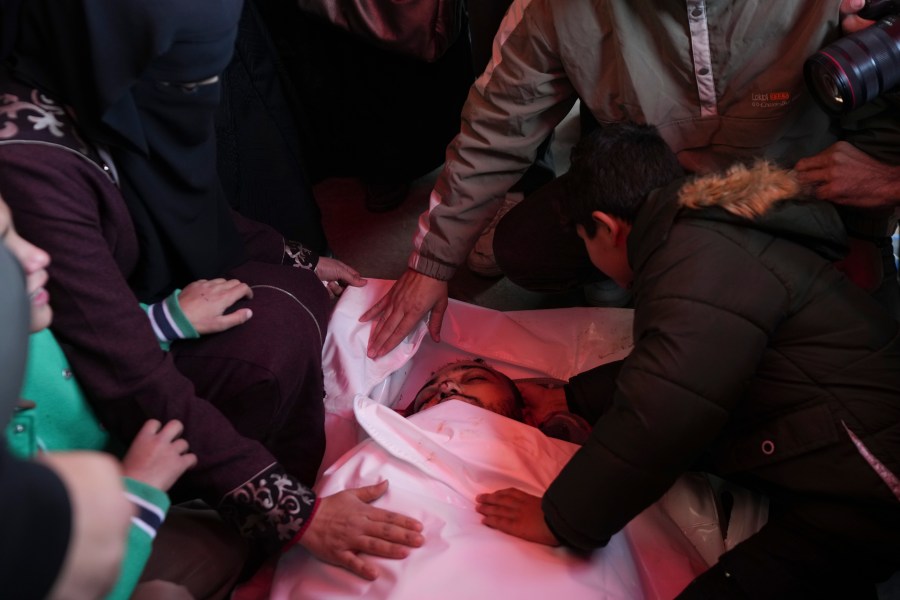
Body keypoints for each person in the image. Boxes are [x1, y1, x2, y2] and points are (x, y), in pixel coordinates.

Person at [0, 0, 422, 582]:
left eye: (209, 78)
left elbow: (179, 197)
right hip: (76, 404)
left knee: (292, 292)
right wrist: (291, 513)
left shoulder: (98, 82)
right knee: (270, 339)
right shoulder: (30, 170)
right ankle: (222, 503)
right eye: (185, 80)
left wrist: (295, 256)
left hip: (135, 316)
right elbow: (122, 365)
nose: (198, 96)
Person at [473, 122, 900, 597]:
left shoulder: (693, 264)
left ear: (608, 228)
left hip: (870, 479)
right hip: (835, 435)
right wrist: (576, 396)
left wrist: (562, 519)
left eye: (585, 241)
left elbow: (660, 415)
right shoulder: (705, 226)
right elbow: (686, 368)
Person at [361, 0, 899, 358]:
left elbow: (885, 108)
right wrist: (431, 263)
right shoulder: (558, 9)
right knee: (525, 248)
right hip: (663, 185)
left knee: (846, 363)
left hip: (804, 194)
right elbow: (497, 124)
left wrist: (882, 192)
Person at [0, 236, 133, 600]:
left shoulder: (31, 321)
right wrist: (144, 490)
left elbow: (93, 345)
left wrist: (164, 323)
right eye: (2, 247)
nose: (39, 255)